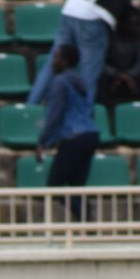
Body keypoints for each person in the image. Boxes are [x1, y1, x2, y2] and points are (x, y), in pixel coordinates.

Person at [36, 43, 101, 215]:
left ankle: (86, 223)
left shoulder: (60, 81)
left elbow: (54, 115)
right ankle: (86, 227)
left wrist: (43, 141)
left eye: (56, 57)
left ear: (65, 61)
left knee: (53, 187)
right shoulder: (81, 81)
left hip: (74, 136)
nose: (52, 62)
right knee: (77, 187)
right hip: (90, 134)